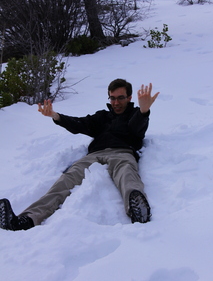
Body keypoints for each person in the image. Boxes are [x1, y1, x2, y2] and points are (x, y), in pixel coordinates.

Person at [0, 79, 159, 231]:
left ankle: (138, 211)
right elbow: (79, 124)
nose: (116, 102)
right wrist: (56, 116)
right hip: (94, 155)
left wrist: (144, 111)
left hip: (122, 153)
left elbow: (137, 129)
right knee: (66, 179)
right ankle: (26, 220)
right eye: (112, 98)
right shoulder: (102, 117)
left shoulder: (135, 115)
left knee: (127, 174)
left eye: (121, 98)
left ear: (129, 97)